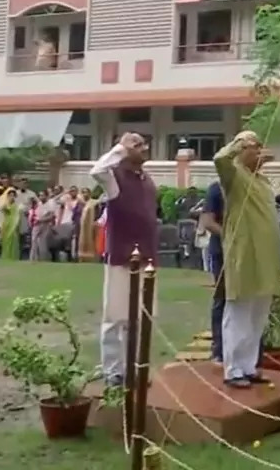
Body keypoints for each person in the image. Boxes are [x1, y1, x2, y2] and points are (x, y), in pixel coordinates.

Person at [212, 131, 280, 389]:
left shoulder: (262, 180)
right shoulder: (234, 175)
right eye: (253, 146)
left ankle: (250, 366)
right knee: (239, 311)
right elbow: (219, 159)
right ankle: (233, 369)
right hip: (244, 255)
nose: (259, 150)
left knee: (258, 314)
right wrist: (240, 143)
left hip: (266, 258)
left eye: (259, 145)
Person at [90, 133, 159, 387]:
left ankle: (135, 367)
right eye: (137, 144)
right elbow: (96, 170)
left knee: (141, 317)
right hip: (121, 258)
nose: (144, 148)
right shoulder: (114, 178)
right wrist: (120, 149)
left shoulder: (147, 180)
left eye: (144, 143)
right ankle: (113, 371)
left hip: (147, 258)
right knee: (116, 315)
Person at [199, 180, 225, 364]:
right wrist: (231, 236)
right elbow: (208, 221)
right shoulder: (217, 188)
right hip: (223, 252)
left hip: (249, 253)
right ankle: (219, 349)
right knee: (222, 298)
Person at [0, 188, 21, 260]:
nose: (11, 197)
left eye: (13, 195)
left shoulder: (17, 206)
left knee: (13, 242)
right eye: (10, 195)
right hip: (6, 225)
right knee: (5, 242)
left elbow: (16, 216)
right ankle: (5, 257)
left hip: (13, 226)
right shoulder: (5, 205)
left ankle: (13, 257)